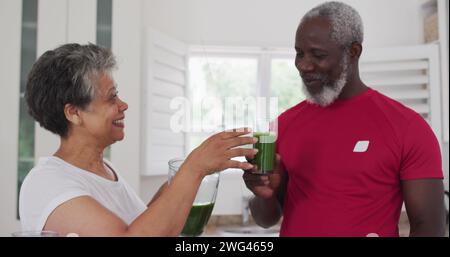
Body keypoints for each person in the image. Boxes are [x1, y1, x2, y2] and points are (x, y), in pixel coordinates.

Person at [243, 1, 446, 237]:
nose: (303, 65)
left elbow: (429, 227)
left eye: (318, 55)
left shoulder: (408, 127)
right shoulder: (284, 125)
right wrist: (264, 194)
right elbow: (265, 219)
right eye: (299, 53)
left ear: (354, 52)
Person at [19, 43, 258, 236]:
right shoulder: (48, 183)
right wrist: (195, 167)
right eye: (111, 98)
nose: (123, 105)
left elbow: (147, 225)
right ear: (74, 113)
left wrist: (193, 167)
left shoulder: (105, 171)